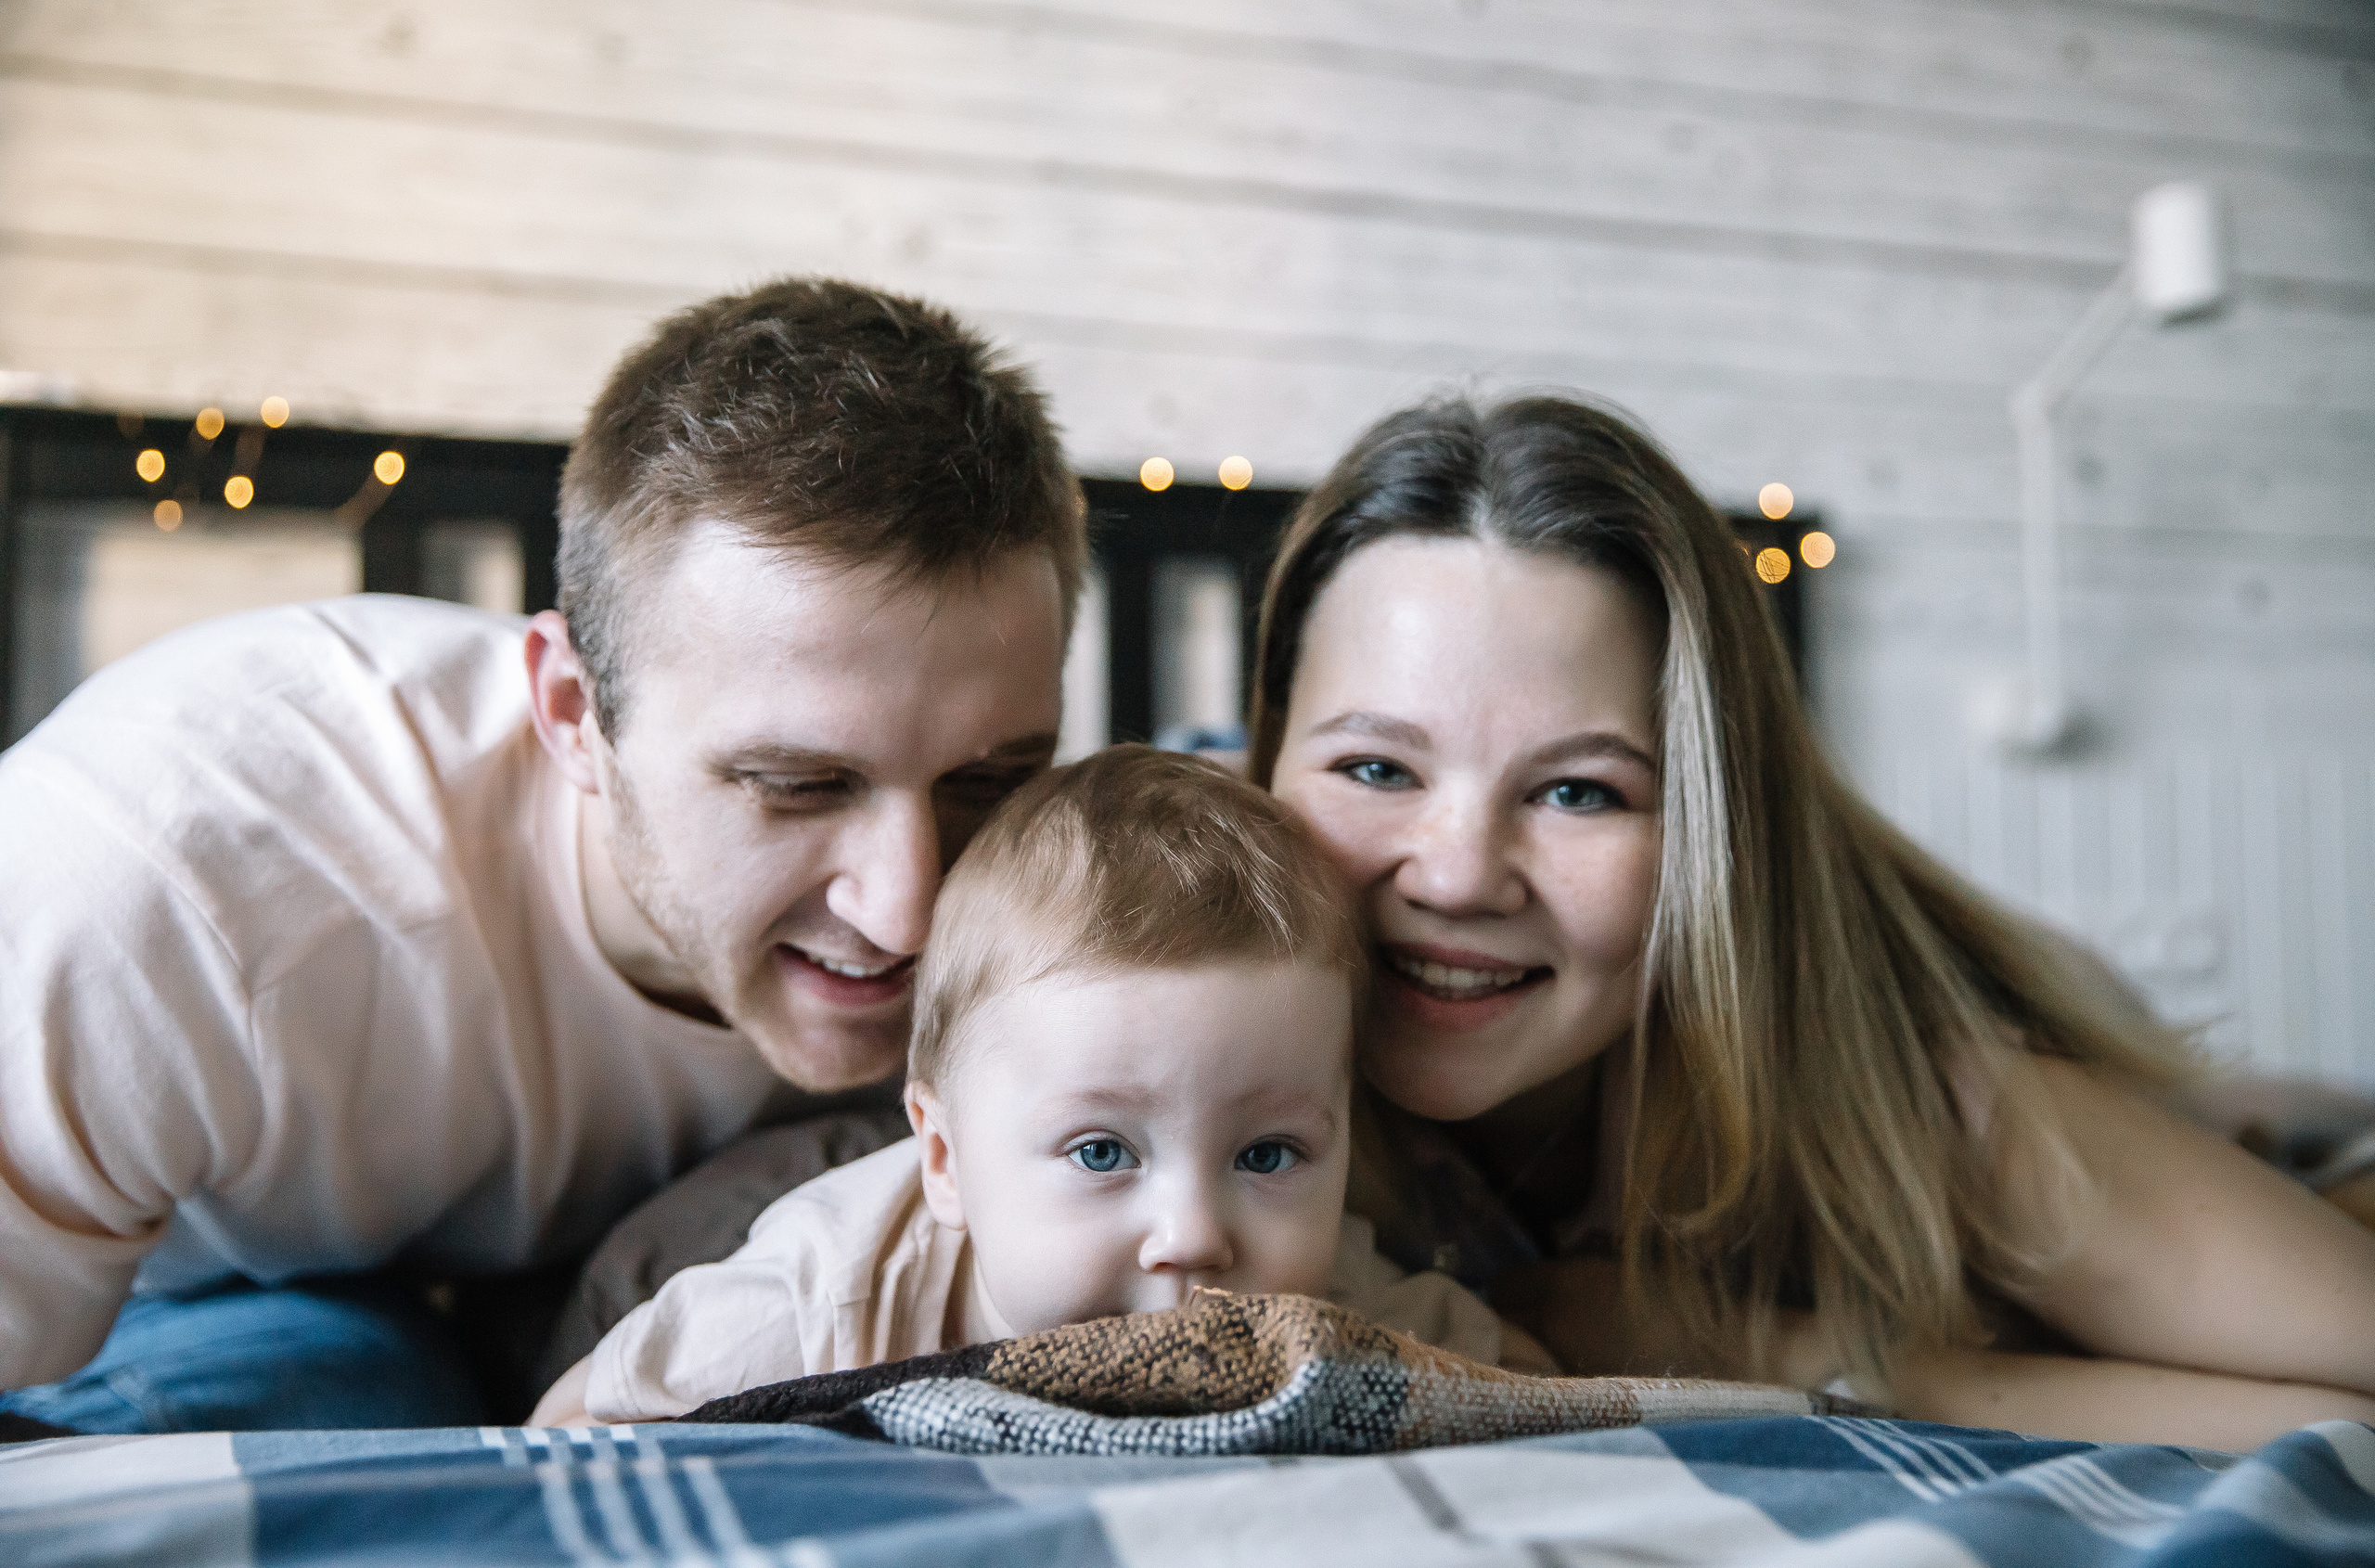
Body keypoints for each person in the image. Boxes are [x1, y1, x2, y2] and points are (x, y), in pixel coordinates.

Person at [0, 278, 1083, 1433]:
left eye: (987, 781)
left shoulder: (1067, 911)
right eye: (797, 786)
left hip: (542, 1297)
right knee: (354, 1381)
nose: (907, 913)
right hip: (167, 1299)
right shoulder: (165, 875)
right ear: (572, 712)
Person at [1249, 393, 2375, 1452]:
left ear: (1712, 826)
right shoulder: (1154, 952)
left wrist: (1765, 1349)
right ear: (1260, 765)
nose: (1454, 877)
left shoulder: (1934, 1110)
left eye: (1578, 790)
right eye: (1373, 766)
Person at [533, 745, 1550, 1425]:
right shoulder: (810, 1313)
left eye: (1267, 1154)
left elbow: (1546, 1398)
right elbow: (565, 1437)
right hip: (690, 1231)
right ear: (945, 1159)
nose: (1195, 1236)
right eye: (1103, 1151)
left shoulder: (1336, 1310)